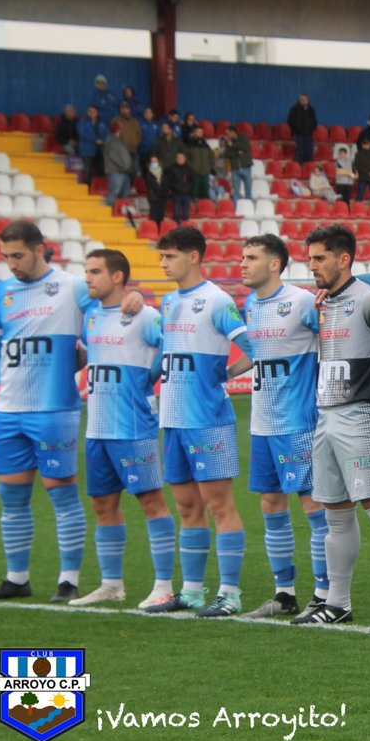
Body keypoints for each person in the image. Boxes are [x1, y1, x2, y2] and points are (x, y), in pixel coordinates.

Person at [290, 225, 370, 627]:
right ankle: (338, 602)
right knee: (335, 517)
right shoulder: (323, 303)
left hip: (363, 416)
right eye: (309, 259)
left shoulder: (367, 300)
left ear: (343, 259)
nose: (312, 266)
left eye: (319, 258)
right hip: (326, 416)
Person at [0, 222, 98, 602]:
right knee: (10, 496)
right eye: (5, 256)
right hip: (9, 411)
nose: (11, 264)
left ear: (41, 249)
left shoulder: (73, 287)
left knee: (61, 495)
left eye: (18, 255)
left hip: (53, 409)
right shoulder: (1, 292)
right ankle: (16, 579)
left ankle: (68, 581)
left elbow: (103, 325)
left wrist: (133, 299)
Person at [145, 226, 254, 617]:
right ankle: (191, 591)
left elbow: (253, 347)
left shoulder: (217, 300)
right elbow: (166, 352)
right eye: (161, 256)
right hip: (172, 419)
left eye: (169, 256)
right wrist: (148, 379)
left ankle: (230, 593)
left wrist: (224, 375)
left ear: (193, 256)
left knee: (219, 505)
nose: (163, 263)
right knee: (187, 506)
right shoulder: (169, 300)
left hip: (207, 420)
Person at [70, 250, 176, 609]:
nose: (88, 278)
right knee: (103, 504)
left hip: (132, 426)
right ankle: (111, 584)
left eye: (95, 271)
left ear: (117, 277)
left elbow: (172, 345)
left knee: (151, 502)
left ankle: (164, 585)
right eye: (86, 271)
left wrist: (149, 377)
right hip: (97, 426)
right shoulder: (91, 316)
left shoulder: (145, 315)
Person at [234, 235, 329, 619]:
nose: (242, 264)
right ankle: (284, 593)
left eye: (251, 258)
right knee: (271, 504)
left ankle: (324, 593)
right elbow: (259, 356)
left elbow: (333, 341)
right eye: (241, 256)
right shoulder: (250, 305)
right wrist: (224, 375)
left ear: (274, 264)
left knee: (314, 507)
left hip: (298, 422)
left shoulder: (303, 301)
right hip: (262, 424)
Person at [103, 123, 133, 206]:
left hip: (124, 172)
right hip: (116, 171)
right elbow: (113, 156)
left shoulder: (118, 140)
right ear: (118, 130)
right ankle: (110, 213)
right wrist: (125, 166)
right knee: (114, 193)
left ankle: (120, 214)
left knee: (125, 195)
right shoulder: (111, 141)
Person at [223, 125, 253, 202]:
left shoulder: (243, 137)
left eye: (228, 133)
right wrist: (237, 153)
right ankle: (236, 209)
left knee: (248, 190)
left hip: (246, 167)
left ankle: (248, 208)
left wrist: (232, 145)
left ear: (233, 132)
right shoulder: (228, 142)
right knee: (236, 191)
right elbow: (227, 154)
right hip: (235, 169)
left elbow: (245, 147)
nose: (227, 136)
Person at [76, 106, 105, 185]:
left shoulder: (102, 123)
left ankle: (98, 188)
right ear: (87, 112)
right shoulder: (82, 122)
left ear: (97, 112)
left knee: (102, 170)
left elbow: (106, 134)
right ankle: (86, 188)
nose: (92, 113)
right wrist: (95, 140)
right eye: (90, 111)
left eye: (94, 111)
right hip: (87, 150)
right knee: (88, 170)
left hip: (100, 150)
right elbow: (83, 133)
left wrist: (103, 140)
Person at [163, 151, 194, 224]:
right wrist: (172, 189)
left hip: (187, 194)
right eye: (178, 158)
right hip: (176, 194)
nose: (180, 159)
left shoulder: (189, 169)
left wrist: (190, 190)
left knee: (186, 215)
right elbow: (168, 181)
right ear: (176, 159)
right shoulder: (172, 168)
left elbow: (192, 181)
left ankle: (185, 230)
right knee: (176, 214)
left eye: (182, 158)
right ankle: (177, 230)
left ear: (185, 159)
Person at [114, 101, 143, 177]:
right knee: (123, 170)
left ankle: (132, 186)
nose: (125, 110)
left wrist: (136, 143)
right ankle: (124, 187)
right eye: (122, 108)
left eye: (126, 108)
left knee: (134, 169)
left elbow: (139, 133)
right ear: (120, 109)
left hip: (133, 149)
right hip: (122, 150)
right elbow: (113, 135)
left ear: (129, 110)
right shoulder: (116, 120)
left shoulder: (134, 121)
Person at [185, 126, 214, 200]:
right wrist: (192, 168)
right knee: (193, 194)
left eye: (201, 132)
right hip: (194, 174)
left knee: (205, 195)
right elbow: (186, 158)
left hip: (205, 174)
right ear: (194, 133)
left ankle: (204, 210)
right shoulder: (189, 144)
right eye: (198, 132)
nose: (200, 134)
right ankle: (193, 210)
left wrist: (209, 168)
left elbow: (211, 157)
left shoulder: (206, 145)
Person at [288, 94, 317, 164]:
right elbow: (290, 121)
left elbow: (314, 122)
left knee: (309, 152)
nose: (304, 101)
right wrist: (295, 130)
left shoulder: (311, 110)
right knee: (299, 153)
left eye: (305, 99)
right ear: (299, 100)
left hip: (309, 135)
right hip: (299, 135)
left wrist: (311, 129)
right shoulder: (294, 109)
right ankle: (299, 170)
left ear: (308, 100)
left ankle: (309, 169)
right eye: (302, 100)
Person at [352, 138, 370, 203]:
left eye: (367, 144)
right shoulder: (358, 154)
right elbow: (358, 165)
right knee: (360, 195)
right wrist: (369, 173)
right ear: (362, 145)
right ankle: (357, 209)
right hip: (363, 177)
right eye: (364, 144)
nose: (366, 145)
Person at [144, 156, 166, 225]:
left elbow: (166, 182)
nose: (154, 163)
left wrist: (163, 191)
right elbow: (150, 184)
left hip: (162, 195)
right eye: (152, 161)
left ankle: (160, 229)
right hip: (153, 195)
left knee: (161, 213)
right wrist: (158, 189)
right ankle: (153, 228)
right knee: (153, 213)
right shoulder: (148, 173)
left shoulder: (163, 172)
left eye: (155, 161)